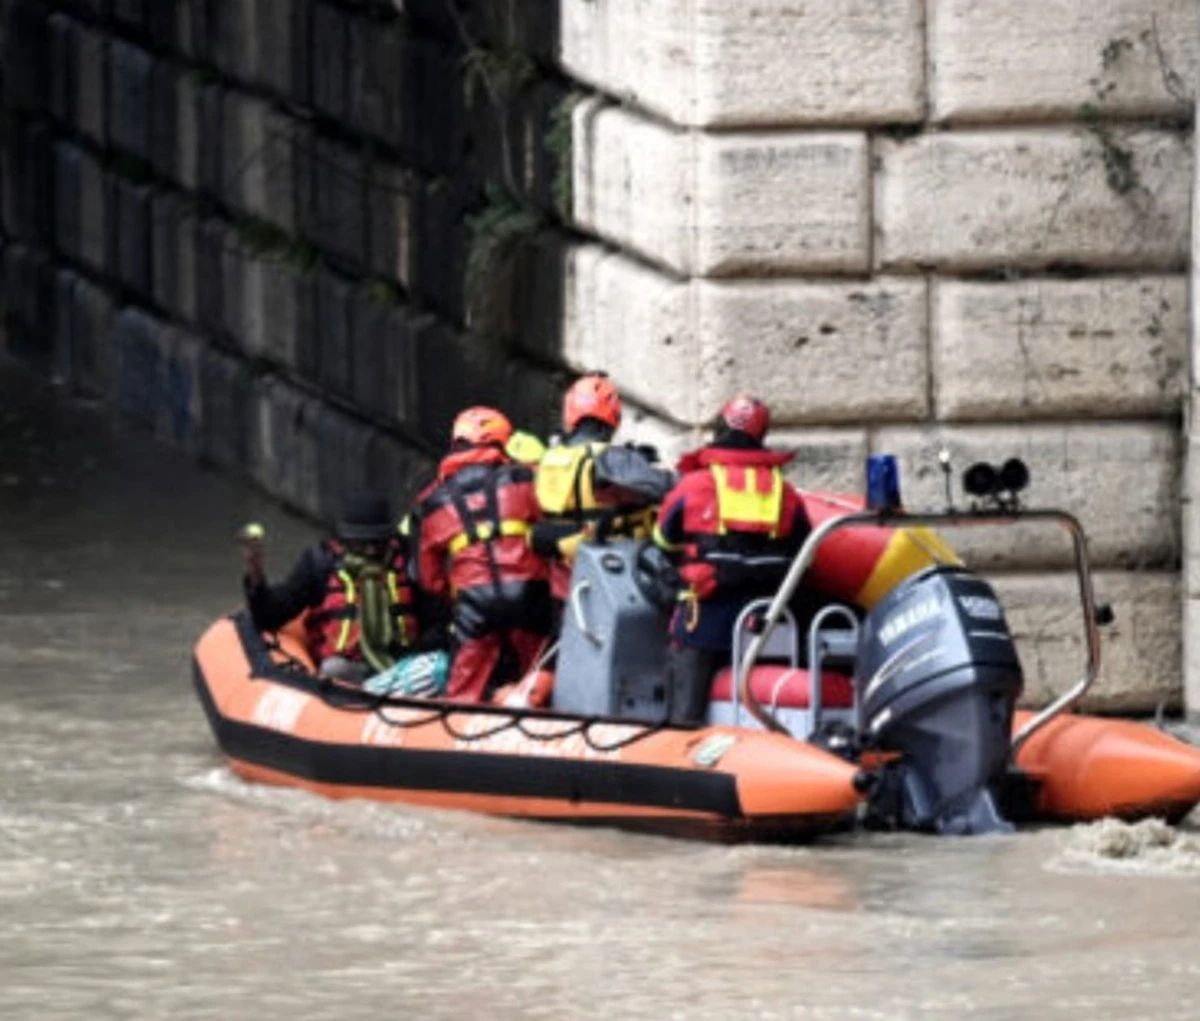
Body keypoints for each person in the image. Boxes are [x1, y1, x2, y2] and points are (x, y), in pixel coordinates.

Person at [652, 394, 811, 724]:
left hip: (704, 623)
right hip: (765, 626)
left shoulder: (694, 485)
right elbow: (805, 556)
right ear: (761, 435)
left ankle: (679, 746)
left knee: (683, 714)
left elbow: (663, 540)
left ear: (720, 429)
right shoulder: (785, 492)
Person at [411, 406, 552, 702]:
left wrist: (455, 594)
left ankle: (462, 735)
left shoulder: (432, 502)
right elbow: (551, 530)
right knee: (542, 673)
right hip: (530, 592)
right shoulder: (526, 479)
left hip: (475, 602)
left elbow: (429, 578)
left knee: (463, 691)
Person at [240, 493, 422, 683]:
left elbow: (434, 619)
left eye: (377, 542)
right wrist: (256, 573)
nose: (371, 551)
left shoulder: (408, 560)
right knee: (333, 668)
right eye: (362, 543)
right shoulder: (320, 564)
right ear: (346, 540)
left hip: (401, 665)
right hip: (348, 669)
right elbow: (271, 616)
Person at [532, 373, 675, 602]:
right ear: (613, 414)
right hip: (609, 573)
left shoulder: (549, 459)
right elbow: (665, 488)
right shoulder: (611, 458)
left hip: (563, 577)